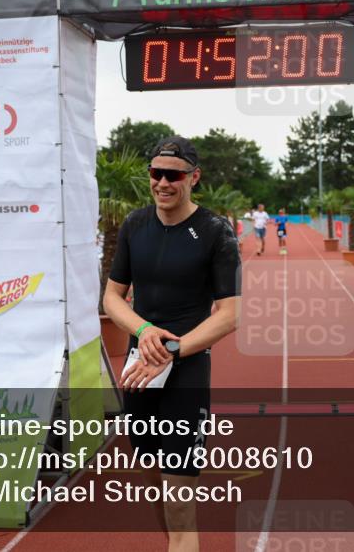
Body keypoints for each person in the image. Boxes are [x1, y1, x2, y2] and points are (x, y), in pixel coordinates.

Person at [103, 135, 240, 552]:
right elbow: (112, 297)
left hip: (186, 370)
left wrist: (173, 349)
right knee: (155, 488)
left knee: (180, 503)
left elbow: (231, 314)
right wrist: (144, 332)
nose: (163, 182)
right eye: (155, 173)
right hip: (138, 371)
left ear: (193, 178)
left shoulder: (217, 232)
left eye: (173, 175)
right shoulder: (135, 225)